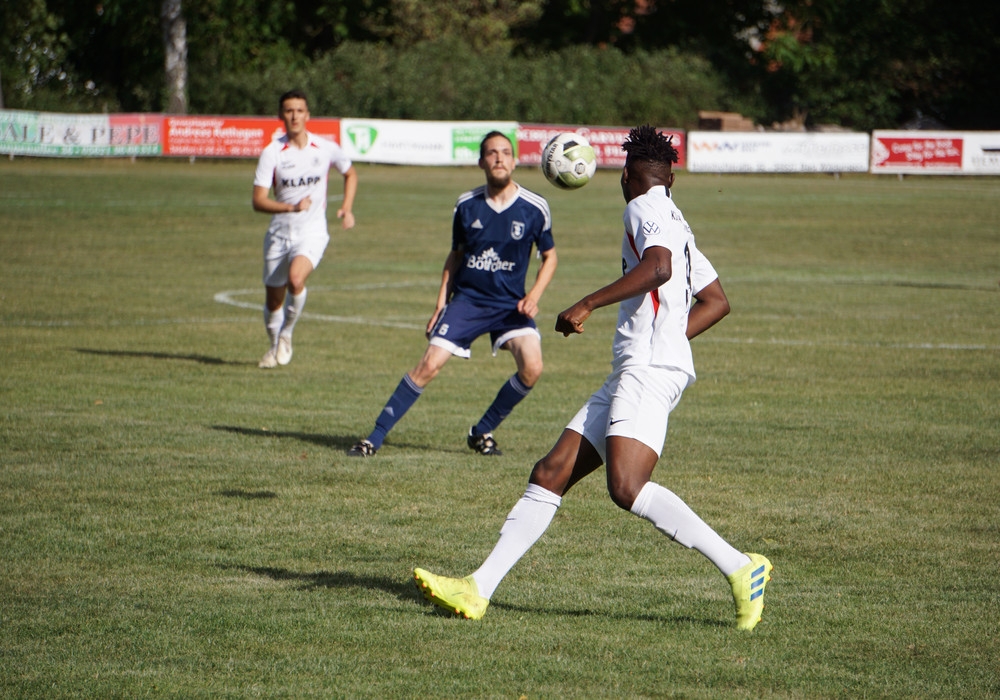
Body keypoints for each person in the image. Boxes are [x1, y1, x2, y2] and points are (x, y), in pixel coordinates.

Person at [412, 125, 773, 631]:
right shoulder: (677, 220)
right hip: (643, 365)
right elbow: (717, 301)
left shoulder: (644, 207)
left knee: (626, 486)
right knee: (551, 471)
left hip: (646, 369)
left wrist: (587, 302)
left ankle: (741, 566)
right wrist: (667, 339)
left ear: (627, 176)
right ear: (670, 173)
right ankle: (478, 589)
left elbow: (658, 269)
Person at [348, 131, 557, 457]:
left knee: (533, 367)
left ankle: (482, 430)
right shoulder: (466, 205)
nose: (499, 158)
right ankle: (373, 438)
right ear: (481, 162)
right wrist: (440, 304)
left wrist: (534, 295)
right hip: (468, 301)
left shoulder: (535, 207)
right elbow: (455, 256)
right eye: (491, 153)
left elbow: (550, 257)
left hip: (509, 305)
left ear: (514, 161)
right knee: (429, 365)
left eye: (505, 152)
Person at [252, 89, 358, 369]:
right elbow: (258, 201)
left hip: (312, 232)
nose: (294, 115)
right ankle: (274, 345)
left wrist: (347, 208)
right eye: (288, 110)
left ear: (308, 115)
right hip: (279, 234)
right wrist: (290, 207)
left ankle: (286, 334)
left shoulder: (324, 148)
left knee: (296, 280)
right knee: (273, 300)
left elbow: (350, 173)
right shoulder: (272, 153)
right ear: (280, 116)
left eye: (299, 110)